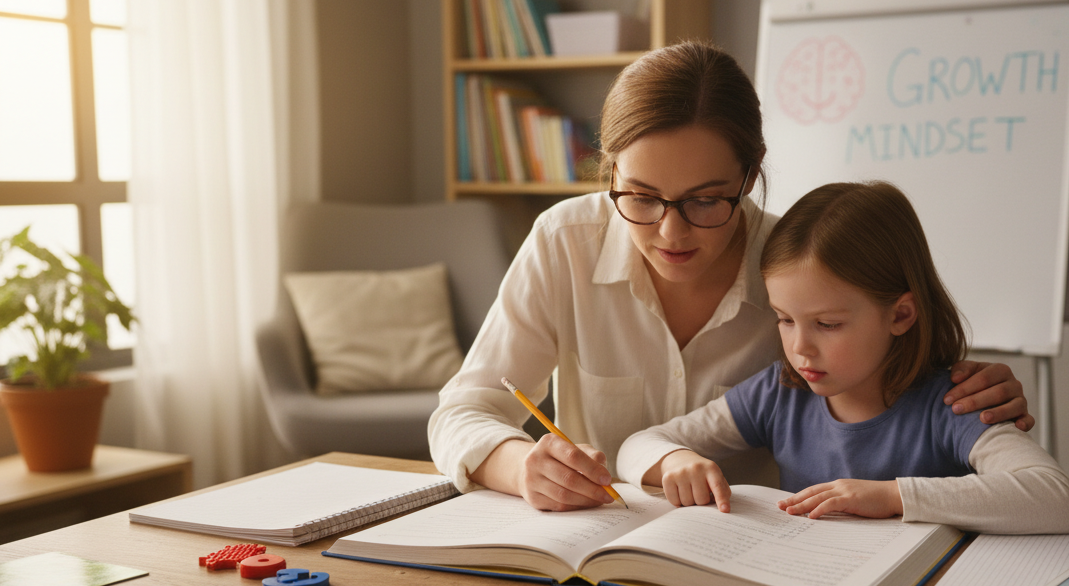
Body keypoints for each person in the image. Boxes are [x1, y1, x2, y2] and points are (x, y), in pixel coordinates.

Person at [429, 41, 1034, 512]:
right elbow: (463, 411)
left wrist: (964, 384)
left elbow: (893, 372)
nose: (671, 233)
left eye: (704, 200)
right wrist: (521, 467)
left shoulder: (798, 269)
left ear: (749, 175)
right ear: (610, 172)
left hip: (755, 550)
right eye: (639, 196)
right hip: (603, 545)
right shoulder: (566, 241)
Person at [617, 181, 1069, 534]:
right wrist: (674, 459)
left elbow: (1055, 497)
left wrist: (892, 496)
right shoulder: (781, 392)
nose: (800, 347)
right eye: (784, 319)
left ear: (900, 314)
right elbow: (639, 444)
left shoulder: (952, 403)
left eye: (828, 324)